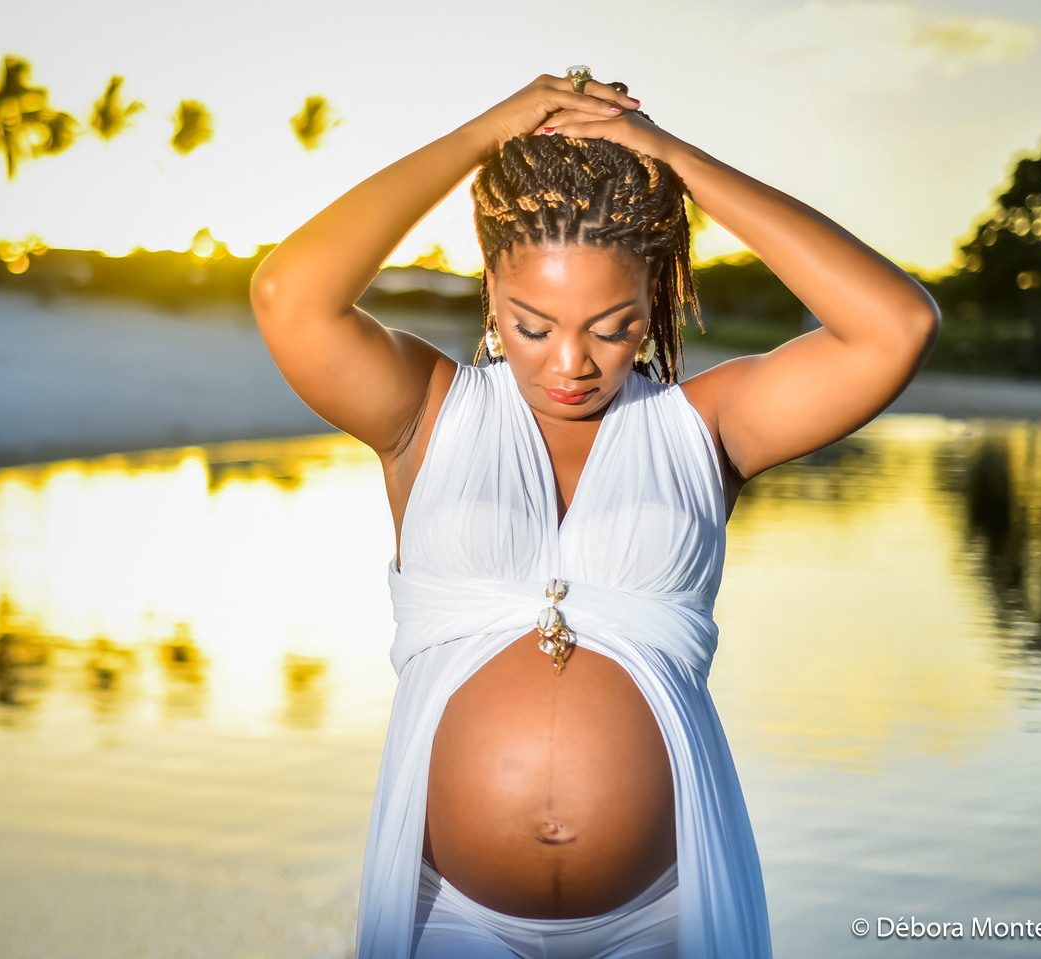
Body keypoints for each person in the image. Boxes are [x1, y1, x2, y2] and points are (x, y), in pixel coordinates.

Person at [251, 69, 938, 959]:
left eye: (612, 326)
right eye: (535, 325)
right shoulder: (427, 410)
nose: (570, 363)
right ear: (493, 291)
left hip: (661, 917)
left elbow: (897, 327)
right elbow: (286, 297)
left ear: (653, 300)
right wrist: (485, 132)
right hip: (455, 917)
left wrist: (673, 157)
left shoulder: (705, 426)